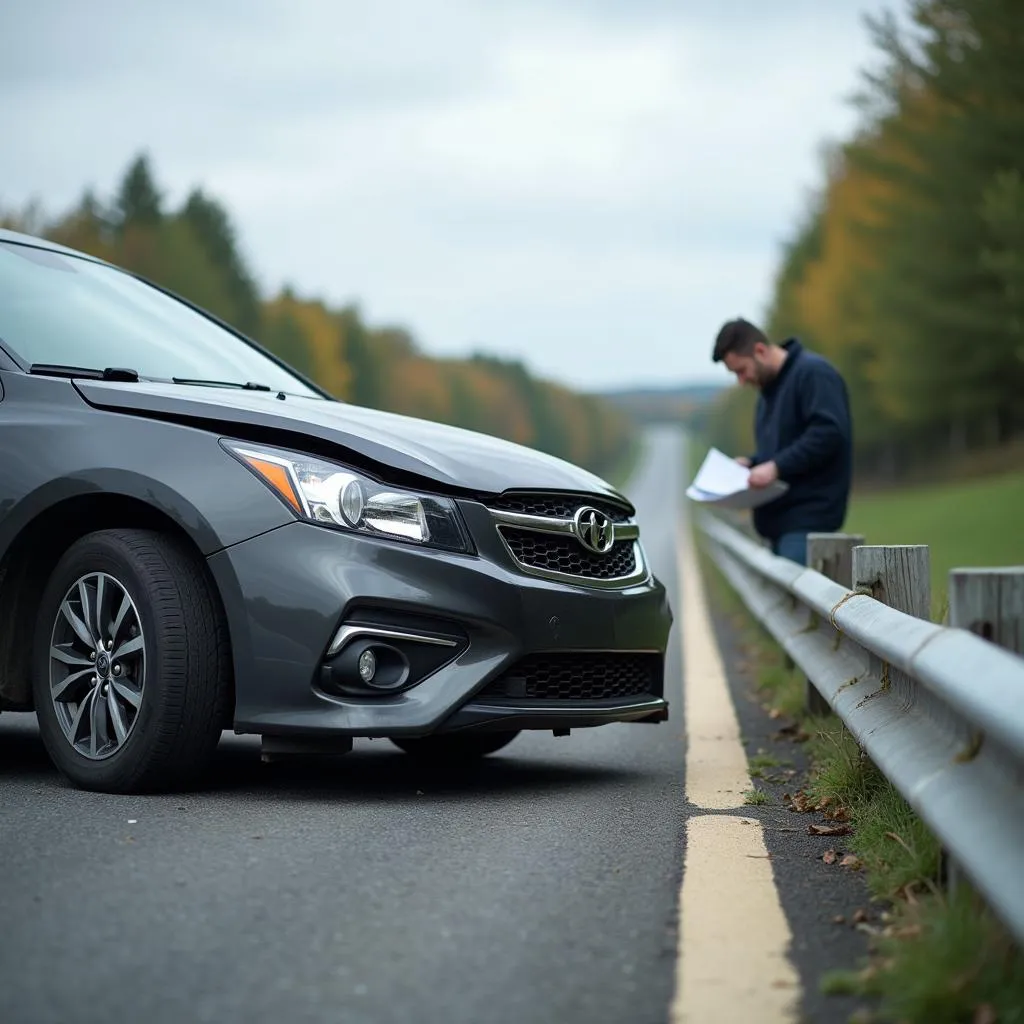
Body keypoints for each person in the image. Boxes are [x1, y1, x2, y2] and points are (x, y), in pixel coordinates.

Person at [711, 317, 853, 565]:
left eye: (741, 371)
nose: (741, 381)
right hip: (779, 530)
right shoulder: (768, 392)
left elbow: (828, 433)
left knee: (797, 605)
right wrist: (753, 464)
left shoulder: (814, 374)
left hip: (807, 527)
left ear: (760, 350)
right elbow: (783, 451)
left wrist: (774, 467)